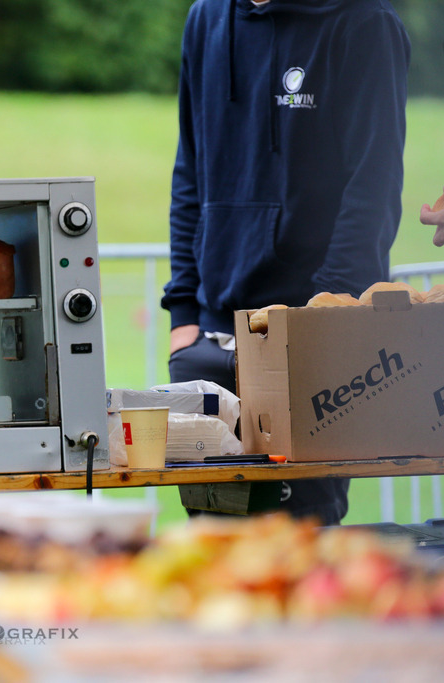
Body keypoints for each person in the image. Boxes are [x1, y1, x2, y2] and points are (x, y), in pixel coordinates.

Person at [161, 0, 410, 525]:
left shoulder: (364, 23)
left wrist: (320, 323)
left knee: (297, 542)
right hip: (208, 342)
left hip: (306, 344)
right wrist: (182, 315)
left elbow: (373, 188)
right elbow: (190, 168)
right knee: (210, 546)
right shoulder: (206, 17)